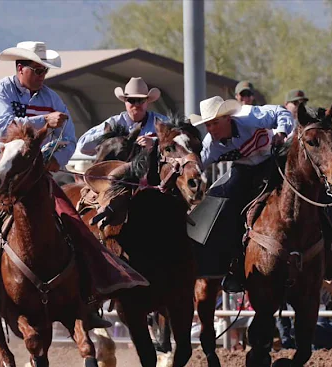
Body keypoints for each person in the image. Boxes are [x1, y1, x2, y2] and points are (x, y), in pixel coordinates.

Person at [0, 41, 147, 327]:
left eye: (44, 70)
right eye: (37, 69)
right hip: (4, 168)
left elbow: (69, 137)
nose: (42, 75)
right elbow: (2, 128)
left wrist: (58, 158)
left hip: (38, 173)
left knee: (73, 219)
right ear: (20, 68)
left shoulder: (53, 98)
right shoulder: (1, 91)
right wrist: (45, 120)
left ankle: (91, 293)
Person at [188, 96, 293, 293]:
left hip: (275, 159)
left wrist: (281, 131)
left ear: (228, 118)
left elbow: (281, 112)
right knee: (219, 201)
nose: (211, 129)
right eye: (208, 125)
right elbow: (197, 166)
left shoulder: (248, 116)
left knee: (305, 190)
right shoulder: (211, 144)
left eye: (215, 123)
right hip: (244, 170)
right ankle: (232, 264)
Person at [77, 77, 168, 156]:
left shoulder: (162, 122)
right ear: (125, 101)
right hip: (120, 173)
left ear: (147, 101)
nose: (136, 105)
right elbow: (83, 147)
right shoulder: (113, 123)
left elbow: (179, 143)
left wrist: (154, 142)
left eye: (140, 100)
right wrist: (108, 135)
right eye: (132, 100)